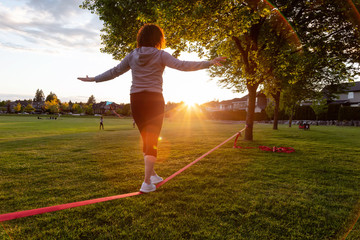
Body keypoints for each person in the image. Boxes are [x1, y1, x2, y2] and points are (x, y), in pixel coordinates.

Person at [78, 23, 226, 193]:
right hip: (154, 99)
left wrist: (93, 79)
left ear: (140, 38)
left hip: (136, 99)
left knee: (146, 138)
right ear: (158, 39)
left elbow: (114, 71)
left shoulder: (132, 55)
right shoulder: (161, 55)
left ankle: (153, 174)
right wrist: (209, 63)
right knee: (152, 140)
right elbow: (182, 65)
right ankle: (147, 182)